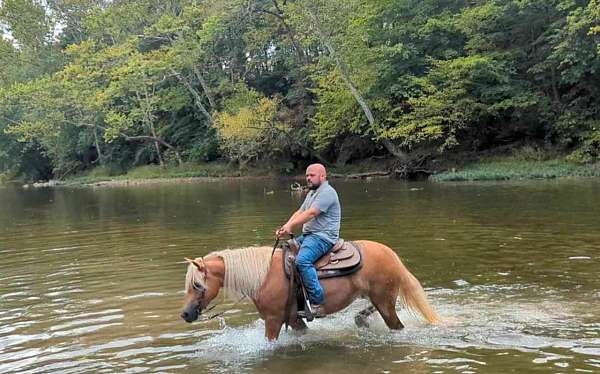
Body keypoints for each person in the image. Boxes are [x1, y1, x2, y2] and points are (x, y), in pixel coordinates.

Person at [276, 163, 341, 317]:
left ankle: (318, 303)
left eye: (312, 175)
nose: (308, 178)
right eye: (307, 175)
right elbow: (300, 211)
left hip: (323, 237)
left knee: (302, 261)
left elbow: (311, 213)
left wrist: (290, 226)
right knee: (283, 254)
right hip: (309, 235)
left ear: (323, 176)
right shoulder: (312, 193)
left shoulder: (327, 193)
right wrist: (286, 226)